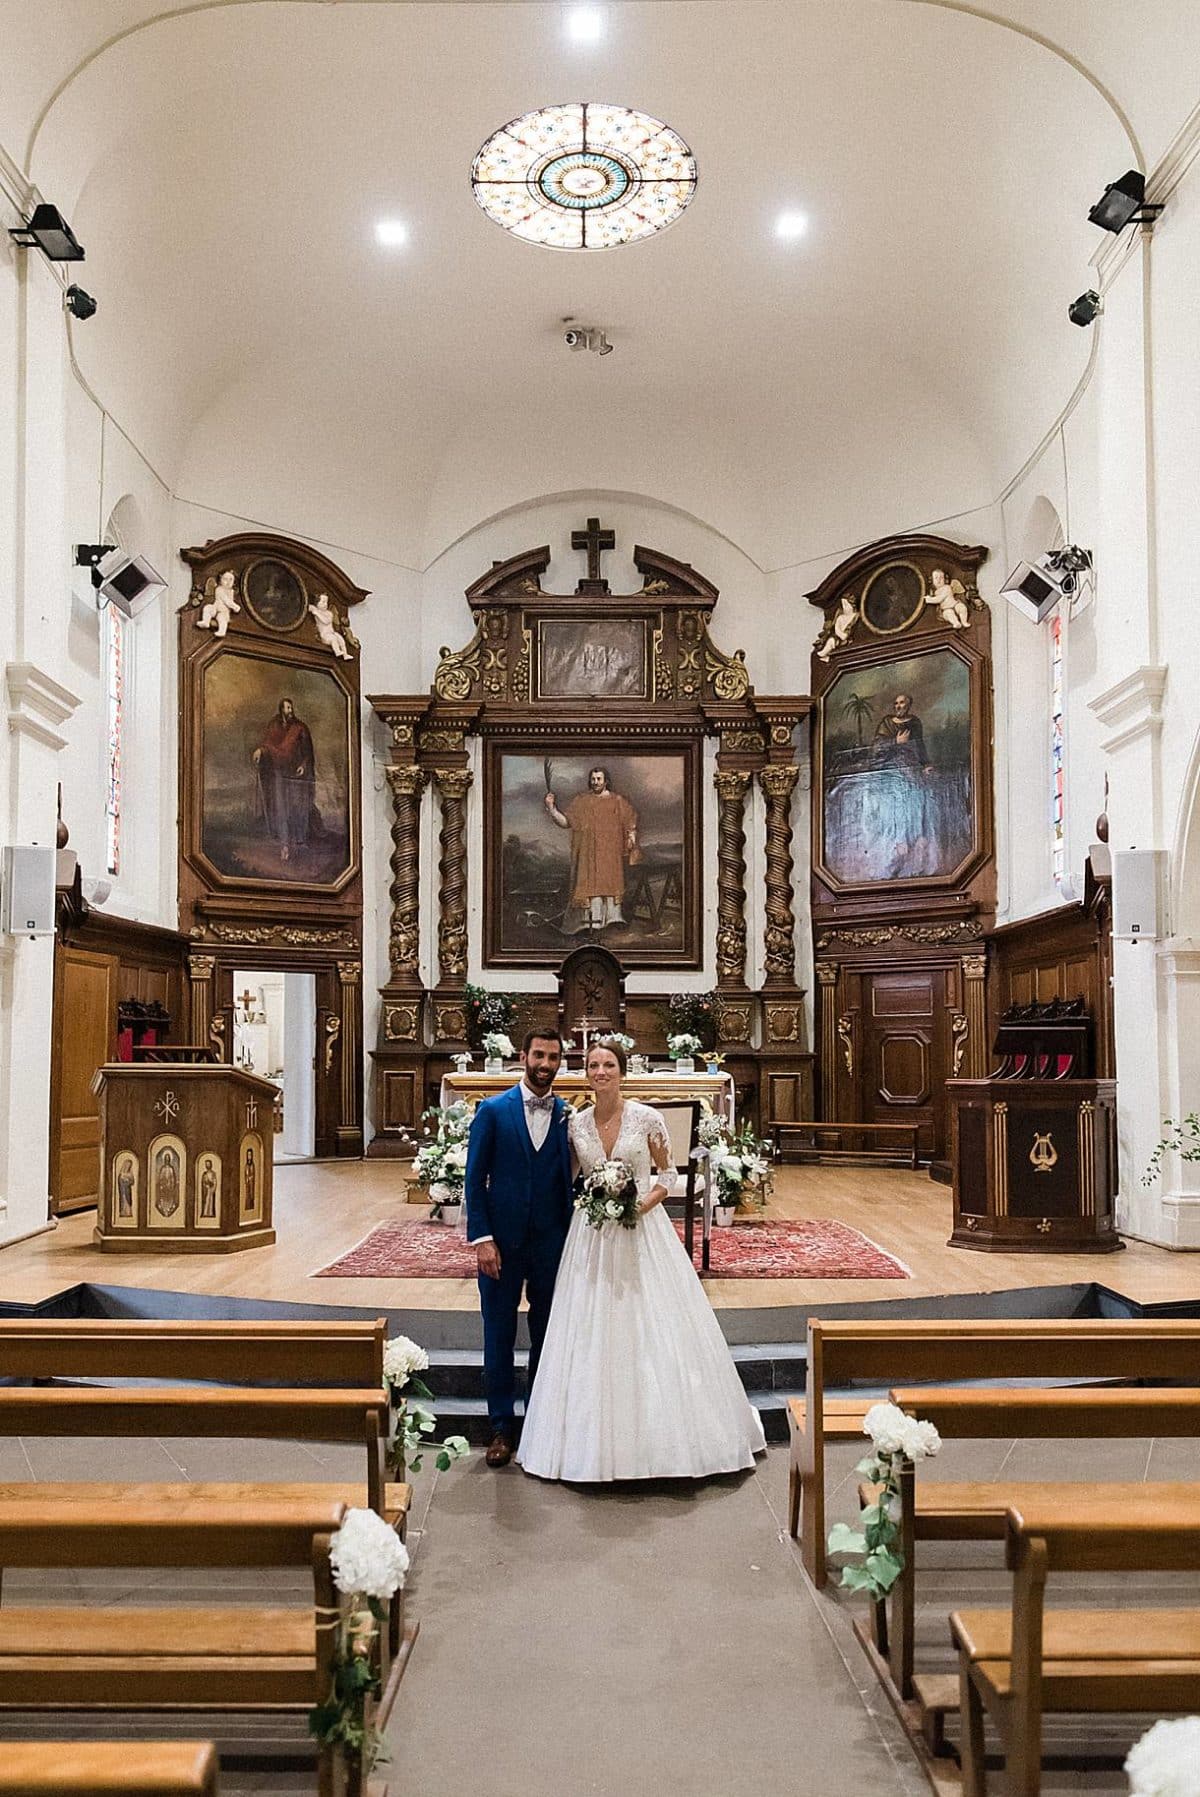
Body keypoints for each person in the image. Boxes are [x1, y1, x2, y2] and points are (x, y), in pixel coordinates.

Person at [518, 1040, 766, 1482]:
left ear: (622, 1071)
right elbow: (569, 1177)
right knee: (588, 1325)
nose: (600, 1072)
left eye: (609, 1064)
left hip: (640, 1231)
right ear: (586, 1072)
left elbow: (668, 1174)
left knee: (653, 1323)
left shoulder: (647, 1118)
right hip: (592, 1237)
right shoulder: (575, 1124)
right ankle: (586, 1442)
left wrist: (639, 1206)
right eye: (593, 1065)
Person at [465, 1029, 574, 1469]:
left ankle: (539, 1424)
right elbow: (474, 1179)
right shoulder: (492, 1111)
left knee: (547, 1337)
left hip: (550, 1242)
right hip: (501, 1246)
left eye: (553, 1057)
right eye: (539, 1055)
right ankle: (499, 1428)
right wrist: (483, 1239)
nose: (545, 1064)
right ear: (523, 1056)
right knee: (499, 1334)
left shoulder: (568, 1115)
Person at [544, 767, 639, 931]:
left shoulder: (617, 801)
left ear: (606, 781)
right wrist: (552, 808)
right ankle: (588, 925)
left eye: (599, 779)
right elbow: (566, 823)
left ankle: (610, 922)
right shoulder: (582, 801)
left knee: (609, 884)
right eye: (593, 779)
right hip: (588, 856)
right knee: (589, 885)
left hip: (610, 856)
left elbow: (630, 821)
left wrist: (631, 836)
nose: (595, 782)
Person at [252, 697, 316, 863]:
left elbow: (307, 751)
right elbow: (267, 744)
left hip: (296, 773)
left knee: (296, 806)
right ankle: (284, 844)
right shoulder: (274, 726)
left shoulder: (300, 727)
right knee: (280, 807)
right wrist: (260, 750)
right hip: (278, 772)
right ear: (281, 709)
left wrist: (303, 765)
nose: (290, 710)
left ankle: (298, 840)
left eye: (291, 707)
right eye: (287, 707)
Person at [872, 692, 932, 774]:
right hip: (888, 764)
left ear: (909, 705)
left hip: (909, 763)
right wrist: (896, 741)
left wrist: (926, 764)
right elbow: (877, 746)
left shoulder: (914, 722)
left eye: (902, 703)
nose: (898, 706)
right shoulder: (887, 722)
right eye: (896, 703)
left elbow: (919, 745)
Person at [197, 569, 241, 637]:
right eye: (225, 579)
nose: (228, 582)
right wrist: (235, 607)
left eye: (231, 579)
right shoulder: (219, 589)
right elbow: (226, 600)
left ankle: (222, 631)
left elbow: (230, 601)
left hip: (224, 611)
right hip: (216, 607)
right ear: (220, 580)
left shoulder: (231, 592)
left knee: (222, 619)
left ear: (234, 582)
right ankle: (206, 621)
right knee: (207, 608)